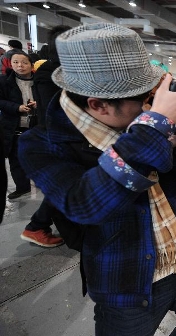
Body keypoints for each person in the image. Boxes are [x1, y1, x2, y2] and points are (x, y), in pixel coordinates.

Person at [18, 23, 176, 335]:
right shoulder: (41, 143)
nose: (149, 106)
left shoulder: (141, 119)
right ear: (98, 104)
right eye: (142, 100)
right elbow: (84, 204)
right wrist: (154, 126)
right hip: (125, 280)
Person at [19, 25, 72, 247]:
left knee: (67, 183)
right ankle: (37, 226)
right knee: (66, 184)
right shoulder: (51, 72)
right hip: (59, 137)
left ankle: (39, 225)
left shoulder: (54, 71)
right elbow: (58, 110)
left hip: (61, 135)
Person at [0, 50, 36, 200]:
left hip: (36, 126)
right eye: (15, 62)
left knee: (38, 156)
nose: (20, 66)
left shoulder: (40, 80)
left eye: (24, 62)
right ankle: (23, 187)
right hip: (13, 126)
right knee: (15, 158)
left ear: (31, 64)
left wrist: (39, 103)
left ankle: (43, 182)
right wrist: (17, 107)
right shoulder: (4, 81)